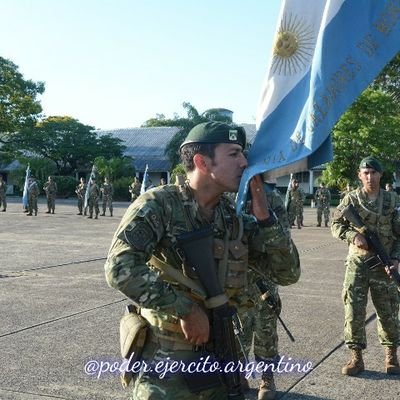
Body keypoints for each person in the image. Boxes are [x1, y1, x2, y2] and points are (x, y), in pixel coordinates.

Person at [104, 121, 300, 399]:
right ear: (202, 162)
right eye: (234, 154)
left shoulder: (232, 218)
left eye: (242, 154)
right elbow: (119, 267)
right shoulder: (159, 205)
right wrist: (184, 309)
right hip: (165, 365)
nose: (245, 162)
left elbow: (287, 274)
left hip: (218, 361)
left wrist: (267, 221)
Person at [331, 156, 400, 376]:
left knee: (388, 311)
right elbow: (335, 224)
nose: (370, 177)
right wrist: (353, 236)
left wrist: (396, 258)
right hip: (358, 264)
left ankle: (391, 357)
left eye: (374, 172)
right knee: (354, 310)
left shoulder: (392, 200)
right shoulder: (350, 200)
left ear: (381, 175)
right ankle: (356, 358)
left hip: (384, 264)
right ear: (360, 176)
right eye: (365, 173)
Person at [241, 182, 294, 400]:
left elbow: (282, 238)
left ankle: (267, 377)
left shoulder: (271, 198)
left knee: (266, 328)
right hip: (234, 277)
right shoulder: (225, 197)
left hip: (263, 276)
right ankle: (236, 373)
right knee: (236, 329)